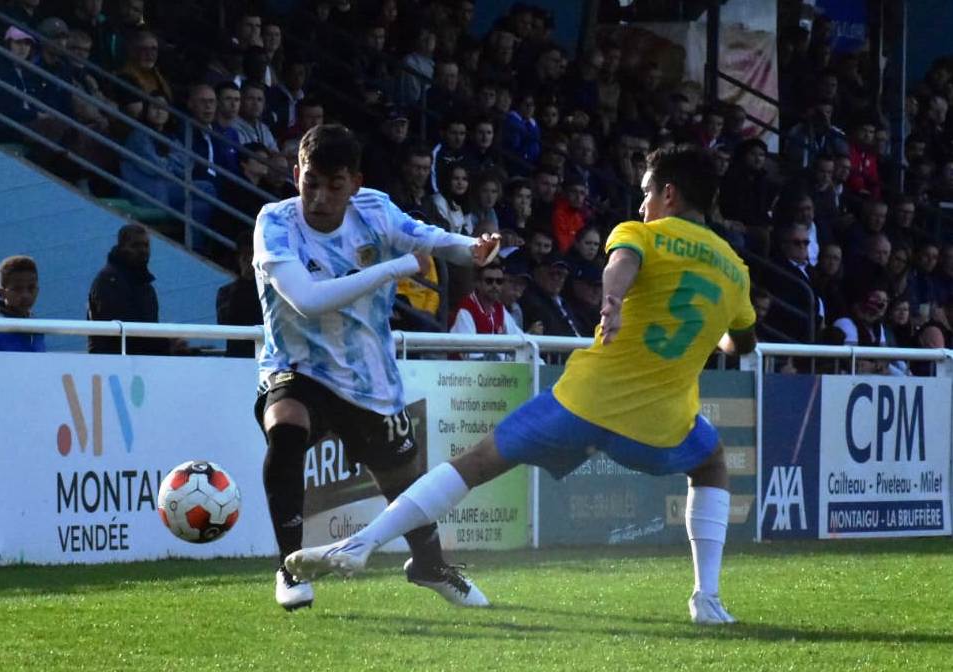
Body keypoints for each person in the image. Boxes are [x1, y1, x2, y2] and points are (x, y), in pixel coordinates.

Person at [288, 145, 758, 626]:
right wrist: (709, 323)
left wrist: (612, 299)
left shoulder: (641, 233)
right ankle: (707, 599)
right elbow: (740, 345)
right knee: (711, 462)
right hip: (662, 424)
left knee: (476, 463)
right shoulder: (734, 271)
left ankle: (363, 542)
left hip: (585, 402)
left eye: (646, 194)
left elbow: (622, 263)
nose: (642, 206)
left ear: (669, 193)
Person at [251, 123, 502, 611]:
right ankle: (289, 567)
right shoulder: (275, 223)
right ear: (297, 173)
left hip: (368, 377)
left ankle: (429, 566)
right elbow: (305, 301)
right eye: (310, 183)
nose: (319, 197)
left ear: (355, 184)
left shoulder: (374, 211)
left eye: (334, 185)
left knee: (402, 480)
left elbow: (426, 237)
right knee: (285, 427)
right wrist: (393, 268)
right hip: (296, 364)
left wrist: (470, 247)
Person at [87, 224, 170, 355]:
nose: (143, 250)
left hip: (140, 363)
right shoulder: (108, 281)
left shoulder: (146, 286)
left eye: (146, 245)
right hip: (112, 364)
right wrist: (168, 345)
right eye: (136, 245)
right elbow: (123, 332)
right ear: (121, 247)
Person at [216, 231, 262, 358]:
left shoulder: (272, 292)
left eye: (252, 254)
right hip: (237, 358)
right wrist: (244, 279)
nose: (249, 260)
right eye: (245, 255)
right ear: (238, 258)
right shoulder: (226, 293)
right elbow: (224, 325)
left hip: (266, 358)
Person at [0, 255, 44, 352]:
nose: (25, 295)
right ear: (2, 294)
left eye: (31, 288)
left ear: (38, 290)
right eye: (17, 289)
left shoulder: (38, 327)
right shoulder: (0, 328)